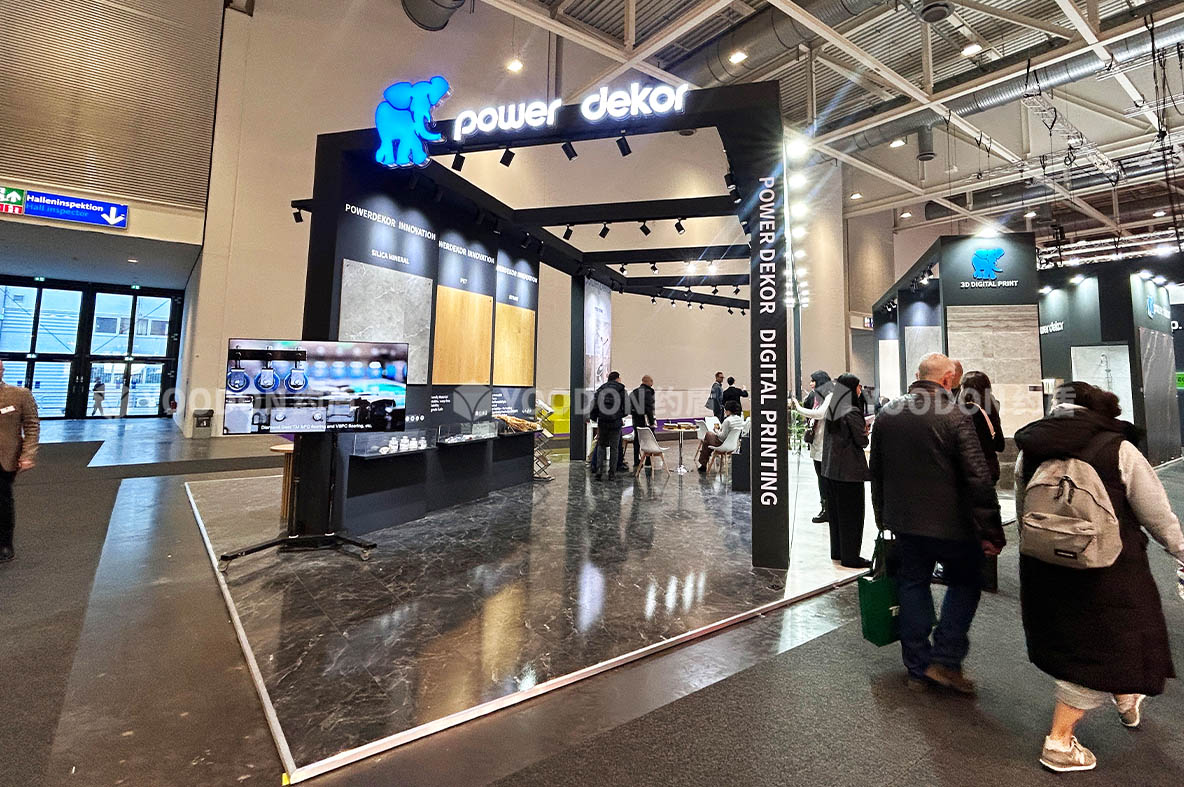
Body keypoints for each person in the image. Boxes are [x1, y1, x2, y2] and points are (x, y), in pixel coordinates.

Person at [1014, 382, 1184, 773]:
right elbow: (1156, 514)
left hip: (1045, 566)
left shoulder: (1031, 449)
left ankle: (1126, 696)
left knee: (1089, 639)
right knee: (1100, 643)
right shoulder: (1117, 448)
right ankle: (1058, 742)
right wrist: (1179, 550)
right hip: (1107, 568)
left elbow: (1023, 509)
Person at [869, 353, 1005, 695]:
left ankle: (917, 667)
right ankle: (945, 658)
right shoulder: (956, 415)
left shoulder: (888, 413)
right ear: (947, 380)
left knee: (912, 585)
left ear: (918, 375)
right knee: (966, 584)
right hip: (954, 526)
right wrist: (991, 529)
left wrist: (881, 516)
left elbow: (877, 472)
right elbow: (977, 476)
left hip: (904, 522)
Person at [819, 373, 872, 569]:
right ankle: (851, 557)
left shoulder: (833, 409)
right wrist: (866, 429)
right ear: (851, 388)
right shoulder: (852, 410)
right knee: (852, 516)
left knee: (836, 515)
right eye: (858, 386)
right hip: (849, 473)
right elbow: (862, 441)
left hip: (831, 470)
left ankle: (838, 552)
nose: (860, 389)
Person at [0, 359, 40, 562]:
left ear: (2, 370)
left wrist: (28, 455)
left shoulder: (20, 395)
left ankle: (4, 544)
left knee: (2, 502)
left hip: (4, 457)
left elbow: (32, 426)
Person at [790, 370, 834, 523]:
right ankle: (825, 508)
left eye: (813, 381)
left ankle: (827, 510)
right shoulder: (819, 398)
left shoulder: (829, 397)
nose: (811, 384)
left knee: (824, 480)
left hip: (824, 444)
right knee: (821, 479)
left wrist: (798, 407)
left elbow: (820, 414)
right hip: (817, 443)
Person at [959, 371, 1004, 483]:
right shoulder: (992, 408)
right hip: (990, 468)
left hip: (971, 469)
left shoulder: (965, 411)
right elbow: (1000, 445)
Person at [589, 371, 628, 481]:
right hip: (615, 423)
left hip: (603, 422)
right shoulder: (621, 390)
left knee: (601, 446)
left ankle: (599, 472)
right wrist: (619, 415)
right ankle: (612, 473)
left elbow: (594, 405)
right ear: (617, 379)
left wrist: (595, 418)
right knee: (614, 448)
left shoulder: (601, 389)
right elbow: (627, 408)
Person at [697, 400, 743, 471]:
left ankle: (703, 463)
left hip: (723, 444)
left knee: (708, 435)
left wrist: (716, 431)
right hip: (733, 445)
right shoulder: (739, 419)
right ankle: (703, 463)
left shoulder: (727, 421)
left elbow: (722, 437)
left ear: (728, 411)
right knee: (708, 441)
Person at [629, 375, 656, 469]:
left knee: (637, 439)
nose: (652, 383)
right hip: (645, 420)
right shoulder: (648, 392)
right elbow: (649, 409)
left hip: (636, 419)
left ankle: (636, 460)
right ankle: (648, 460)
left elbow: (628, 407)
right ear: (648, 382)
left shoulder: (634, 392)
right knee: (649, 439)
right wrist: (652, 422)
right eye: (651, 381)